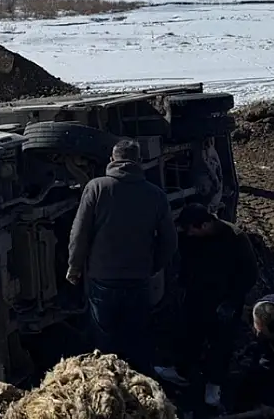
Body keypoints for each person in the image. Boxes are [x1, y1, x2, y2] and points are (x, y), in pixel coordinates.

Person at [67, 138, 178, 376]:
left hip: (102, 279)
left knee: (104, 343)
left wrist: (74, 268)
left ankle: (109, 391)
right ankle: (141, 392)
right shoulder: (155, 194)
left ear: (112, 160)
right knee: (138, 340)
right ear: (139, 161)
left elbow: (80, 233)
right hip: (138, 279)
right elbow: (170, 241)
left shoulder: (96, 188)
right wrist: (152, 267)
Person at [153, 203, 259, 408]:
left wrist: (231, 301)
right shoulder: (190, 237)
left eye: (191, 229)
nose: (187, 234)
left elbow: (250, 274)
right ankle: (181, 371)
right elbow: (185, 260)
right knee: (189, 334)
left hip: (224, 301)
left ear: (204, 225)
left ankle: (214, 383)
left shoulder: (235, 238)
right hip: (197, 296)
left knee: (221, 343)